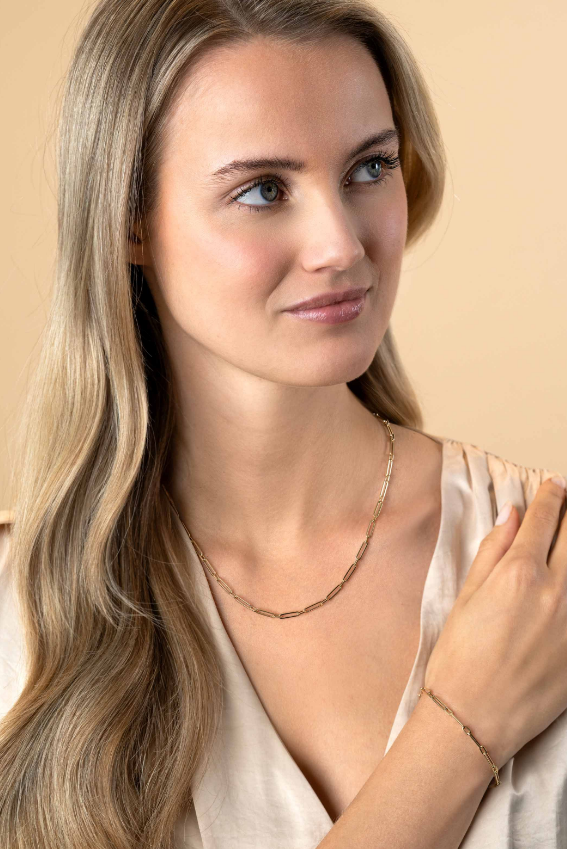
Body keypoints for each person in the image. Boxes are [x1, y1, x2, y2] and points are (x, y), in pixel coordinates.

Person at [0, 0, 566, 847]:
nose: (340, 245)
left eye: (369, 167)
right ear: (128, 220)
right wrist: (460, 729)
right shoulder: (20, 616)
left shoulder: (541, 573)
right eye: (263, 190)